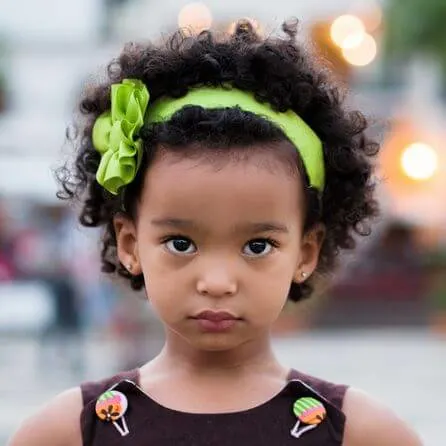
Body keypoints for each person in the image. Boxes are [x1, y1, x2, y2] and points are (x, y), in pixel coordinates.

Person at [9, 20, 422, 446]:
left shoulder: (361, 433)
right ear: (130, 244)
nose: (218, 282)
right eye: (181, 243)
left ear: (305, 251)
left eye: (258, 246)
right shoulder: (69, 432)